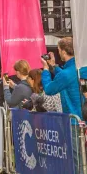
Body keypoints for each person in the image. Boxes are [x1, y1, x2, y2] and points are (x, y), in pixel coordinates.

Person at [41, 37, 84, 173]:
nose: (58, 53)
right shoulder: (80, 69)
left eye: (59, 50)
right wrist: (54, 66)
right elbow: (67, 77)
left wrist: (46, 70)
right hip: (82, 116)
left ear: (64, 52)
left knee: (77, 158)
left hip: (74, 121)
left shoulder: (66, 74)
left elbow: (48, 89)